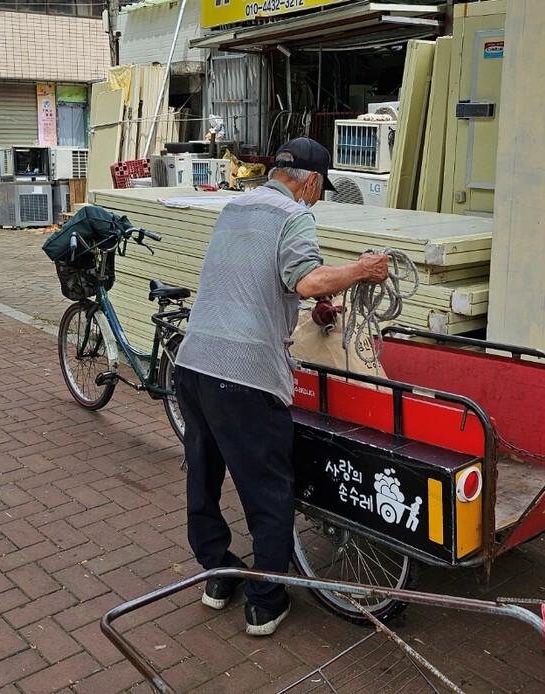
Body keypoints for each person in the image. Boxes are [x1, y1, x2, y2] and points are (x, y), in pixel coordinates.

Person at [174, 137, 390, 637]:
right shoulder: (295, 215)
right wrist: (360, 270)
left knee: (203, 476)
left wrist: (302, 305)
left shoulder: (235, 205)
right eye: (319, 189)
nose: (315, 198)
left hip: (194, 364)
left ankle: (218, 575)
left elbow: (253, 279)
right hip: (245, 377)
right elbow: (307, 279)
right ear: (310, 181)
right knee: (269, 488)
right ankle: (265, 603)